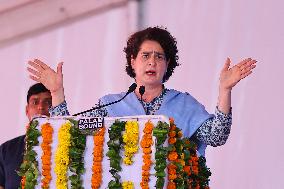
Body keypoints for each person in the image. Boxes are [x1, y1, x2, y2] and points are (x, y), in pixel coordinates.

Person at [27, 26, 257, 157]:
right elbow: (71, 134)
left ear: (168, 65)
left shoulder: (185, 104)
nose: (152, 62)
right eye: (145, 56)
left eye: (159, 57)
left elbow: (217, 136)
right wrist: (57, 93)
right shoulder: (110, 105)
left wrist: (224, 90)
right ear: (133, 61)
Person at [0, 83, 52, 189]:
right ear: (27, 110)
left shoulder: (68, 148)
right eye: (35, 102)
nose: (41, 107)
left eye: (48, 102)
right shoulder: (6, 150)